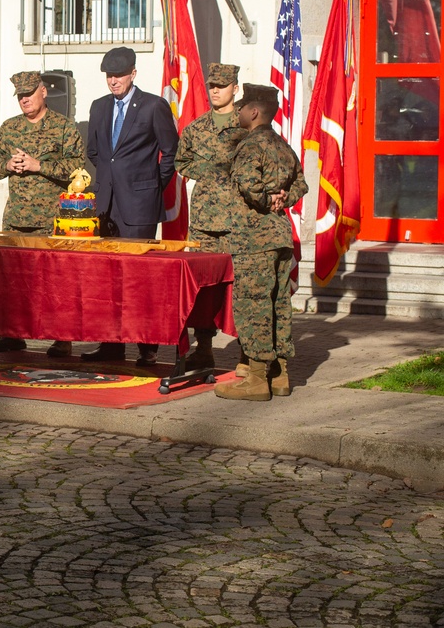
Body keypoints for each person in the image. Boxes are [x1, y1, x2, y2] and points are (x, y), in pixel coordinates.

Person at [84, 47, 179, 366]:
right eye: (109, 75)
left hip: (139, 207)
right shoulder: (98, 107)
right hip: (106, 207)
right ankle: (110, 344)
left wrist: (150, 187)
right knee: (107, 278)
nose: (114, 80)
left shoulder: (153, 106)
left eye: (119, 74)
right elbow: (96, 153)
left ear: (133, 73)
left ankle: (146, 346)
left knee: (139, 279)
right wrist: (109, 183)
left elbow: (171, 153)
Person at [214, 83, 308, 401]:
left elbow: (245, 182)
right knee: (278, 304)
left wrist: (268, 200)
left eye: (242, 107)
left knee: (253, 304)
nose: (238, 111)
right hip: (280, 237)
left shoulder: (251, 144)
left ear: (254, 112)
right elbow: (301, 182)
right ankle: (279, 374)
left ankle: (255, 378)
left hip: (255, 239)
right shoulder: (281, 145)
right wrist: (283, 199)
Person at [0, 70, 84, 358]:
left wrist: (40, 165)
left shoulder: (63, 128)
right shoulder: (9, 128)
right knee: (11, 279)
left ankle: (60, 336)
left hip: (52, 219)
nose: (24, 100)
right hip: (16, 217)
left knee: (54, 280)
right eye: (20, 96)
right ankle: (12, 334)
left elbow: (77, 167)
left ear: (44, 92)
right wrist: (8, 165)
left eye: (29, 93)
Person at [175, 63, 247, 371]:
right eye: (212, 85)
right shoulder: (196, 128)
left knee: (242, 287)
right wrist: (209, 172)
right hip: (205, 223)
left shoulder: (247, 126)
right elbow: (181, 161)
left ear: (235, 87)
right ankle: (203, 348)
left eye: (222, 85)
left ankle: (249, 353)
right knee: (203, 291)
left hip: (238, 222)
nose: (215, 90)